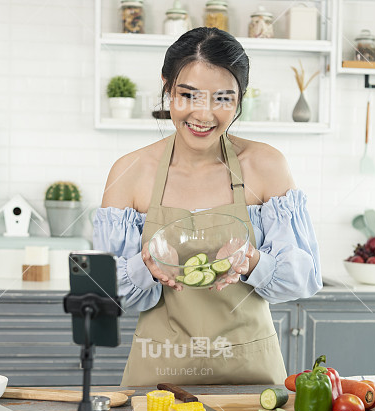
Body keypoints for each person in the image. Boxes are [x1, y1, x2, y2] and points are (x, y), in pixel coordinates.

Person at [93, 27, 322, 386]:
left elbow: (304, 279)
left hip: (251, 372)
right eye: (188, 95)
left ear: (239, 99)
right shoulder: (130, 172)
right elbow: (104, 294)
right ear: (167, 87)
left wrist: (254, 261)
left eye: (223, 98)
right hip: (158, 374)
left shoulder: (266, 165)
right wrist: (145, 267)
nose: (204, 114)